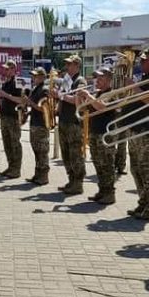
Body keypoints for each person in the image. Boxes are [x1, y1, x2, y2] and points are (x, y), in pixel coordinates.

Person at [124, 48, 149, 221]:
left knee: (147, 170)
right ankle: (144, 201)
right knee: (135, 169)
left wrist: (134, 87)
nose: (141, 63)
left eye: (145, 60)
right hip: (134, 128)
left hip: (146, 130)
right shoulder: (145, 77)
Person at [78, 66, 117, 204]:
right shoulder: (98, 94)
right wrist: (80, 98)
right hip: (95, 133)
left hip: (106, 134)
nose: (97, 81)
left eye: (101, 78)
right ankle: (102, 191)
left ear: (108, 79)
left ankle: (110, 193)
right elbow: (82, 110)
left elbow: (102, 108)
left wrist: (88, 96)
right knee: (98, 164)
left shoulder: (113, 93)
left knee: (107, 164)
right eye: (97, 78)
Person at [55, 54, 87, 196]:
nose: (67, 67)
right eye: (67, 64)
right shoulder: (67, 80)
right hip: (64, 121)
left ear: (77, 66)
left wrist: (60, 96)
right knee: (66, 154)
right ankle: (71, 180)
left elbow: (77, 100)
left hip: (74, 123)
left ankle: (78, 183)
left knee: (75, 155)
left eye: (70, 64)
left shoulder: (80, 81)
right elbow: (62, 97)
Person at [22, 67, 51, 185]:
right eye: (33, 76)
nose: (33, 78)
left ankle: (43, 176)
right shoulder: (35, 89)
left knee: (42, 151)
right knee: (36, 150)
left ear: (43, 77)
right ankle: (37, 174)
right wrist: (28, 112)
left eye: (36, 76)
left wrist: (30, 103)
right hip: (34, 123)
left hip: (41, 125)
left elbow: (43, 108)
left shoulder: (44, 90)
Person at [0, 61, 23, 179]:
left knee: (15, 143)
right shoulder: (6, 82)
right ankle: (10, 166)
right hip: (5, 116)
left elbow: (21, 100)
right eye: (5, 69)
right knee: (7, 144)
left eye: (7, 69)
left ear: (13, 69)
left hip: (13, 117)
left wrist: (5, 95)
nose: (5, 71)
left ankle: (16, 169)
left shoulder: (18, 82)